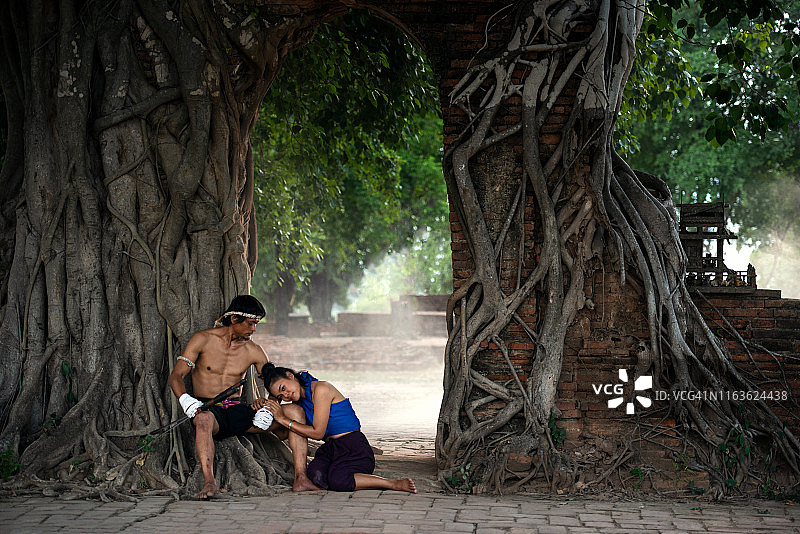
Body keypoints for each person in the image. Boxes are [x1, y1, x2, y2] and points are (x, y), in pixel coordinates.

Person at [167, 295, 318, 498]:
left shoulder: (254, 351)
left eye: (256, 324)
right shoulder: (203, 339)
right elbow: (176, 376)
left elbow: (274, 385)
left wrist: (269, 408)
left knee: (295, 411)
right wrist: (186, 400)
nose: (253, 329)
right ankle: (209, 482)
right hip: (210, 411)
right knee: (202, 420)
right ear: (234, 319)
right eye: (250, 323)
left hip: (238, 411)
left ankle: (301, 478)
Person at [257, 362, 417, 493]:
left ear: (290, 376)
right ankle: (342, 475)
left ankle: (392, 483)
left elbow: (317, 433)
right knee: (315, 476)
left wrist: (282, 418)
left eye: (283, 388)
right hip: (331, 449)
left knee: (338, 480)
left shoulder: (321, 389)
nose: (286, 395)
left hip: (353, 447)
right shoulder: (299, 403)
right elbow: (283, 435)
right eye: (281, 396)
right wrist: (267, 407)